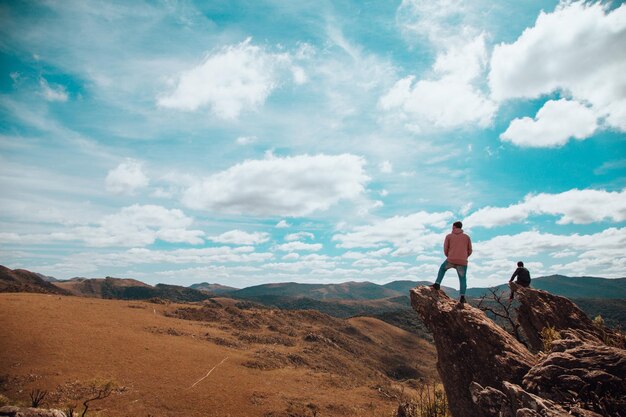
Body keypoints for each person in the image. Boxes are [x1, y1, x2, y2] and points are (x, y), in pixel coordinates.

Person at [431, 221, 472, 304]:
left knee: (442, 268)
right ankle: (462, 297)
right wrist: (464, 257)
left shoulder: (449, 236)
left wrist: (449, 256)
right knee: (462, 279)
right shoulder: (467, 237)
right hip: (462, 261)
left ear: (454, 227)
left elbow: (445, 248)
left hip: (451, 259)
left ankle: (437, 284)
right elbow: (470, 250)